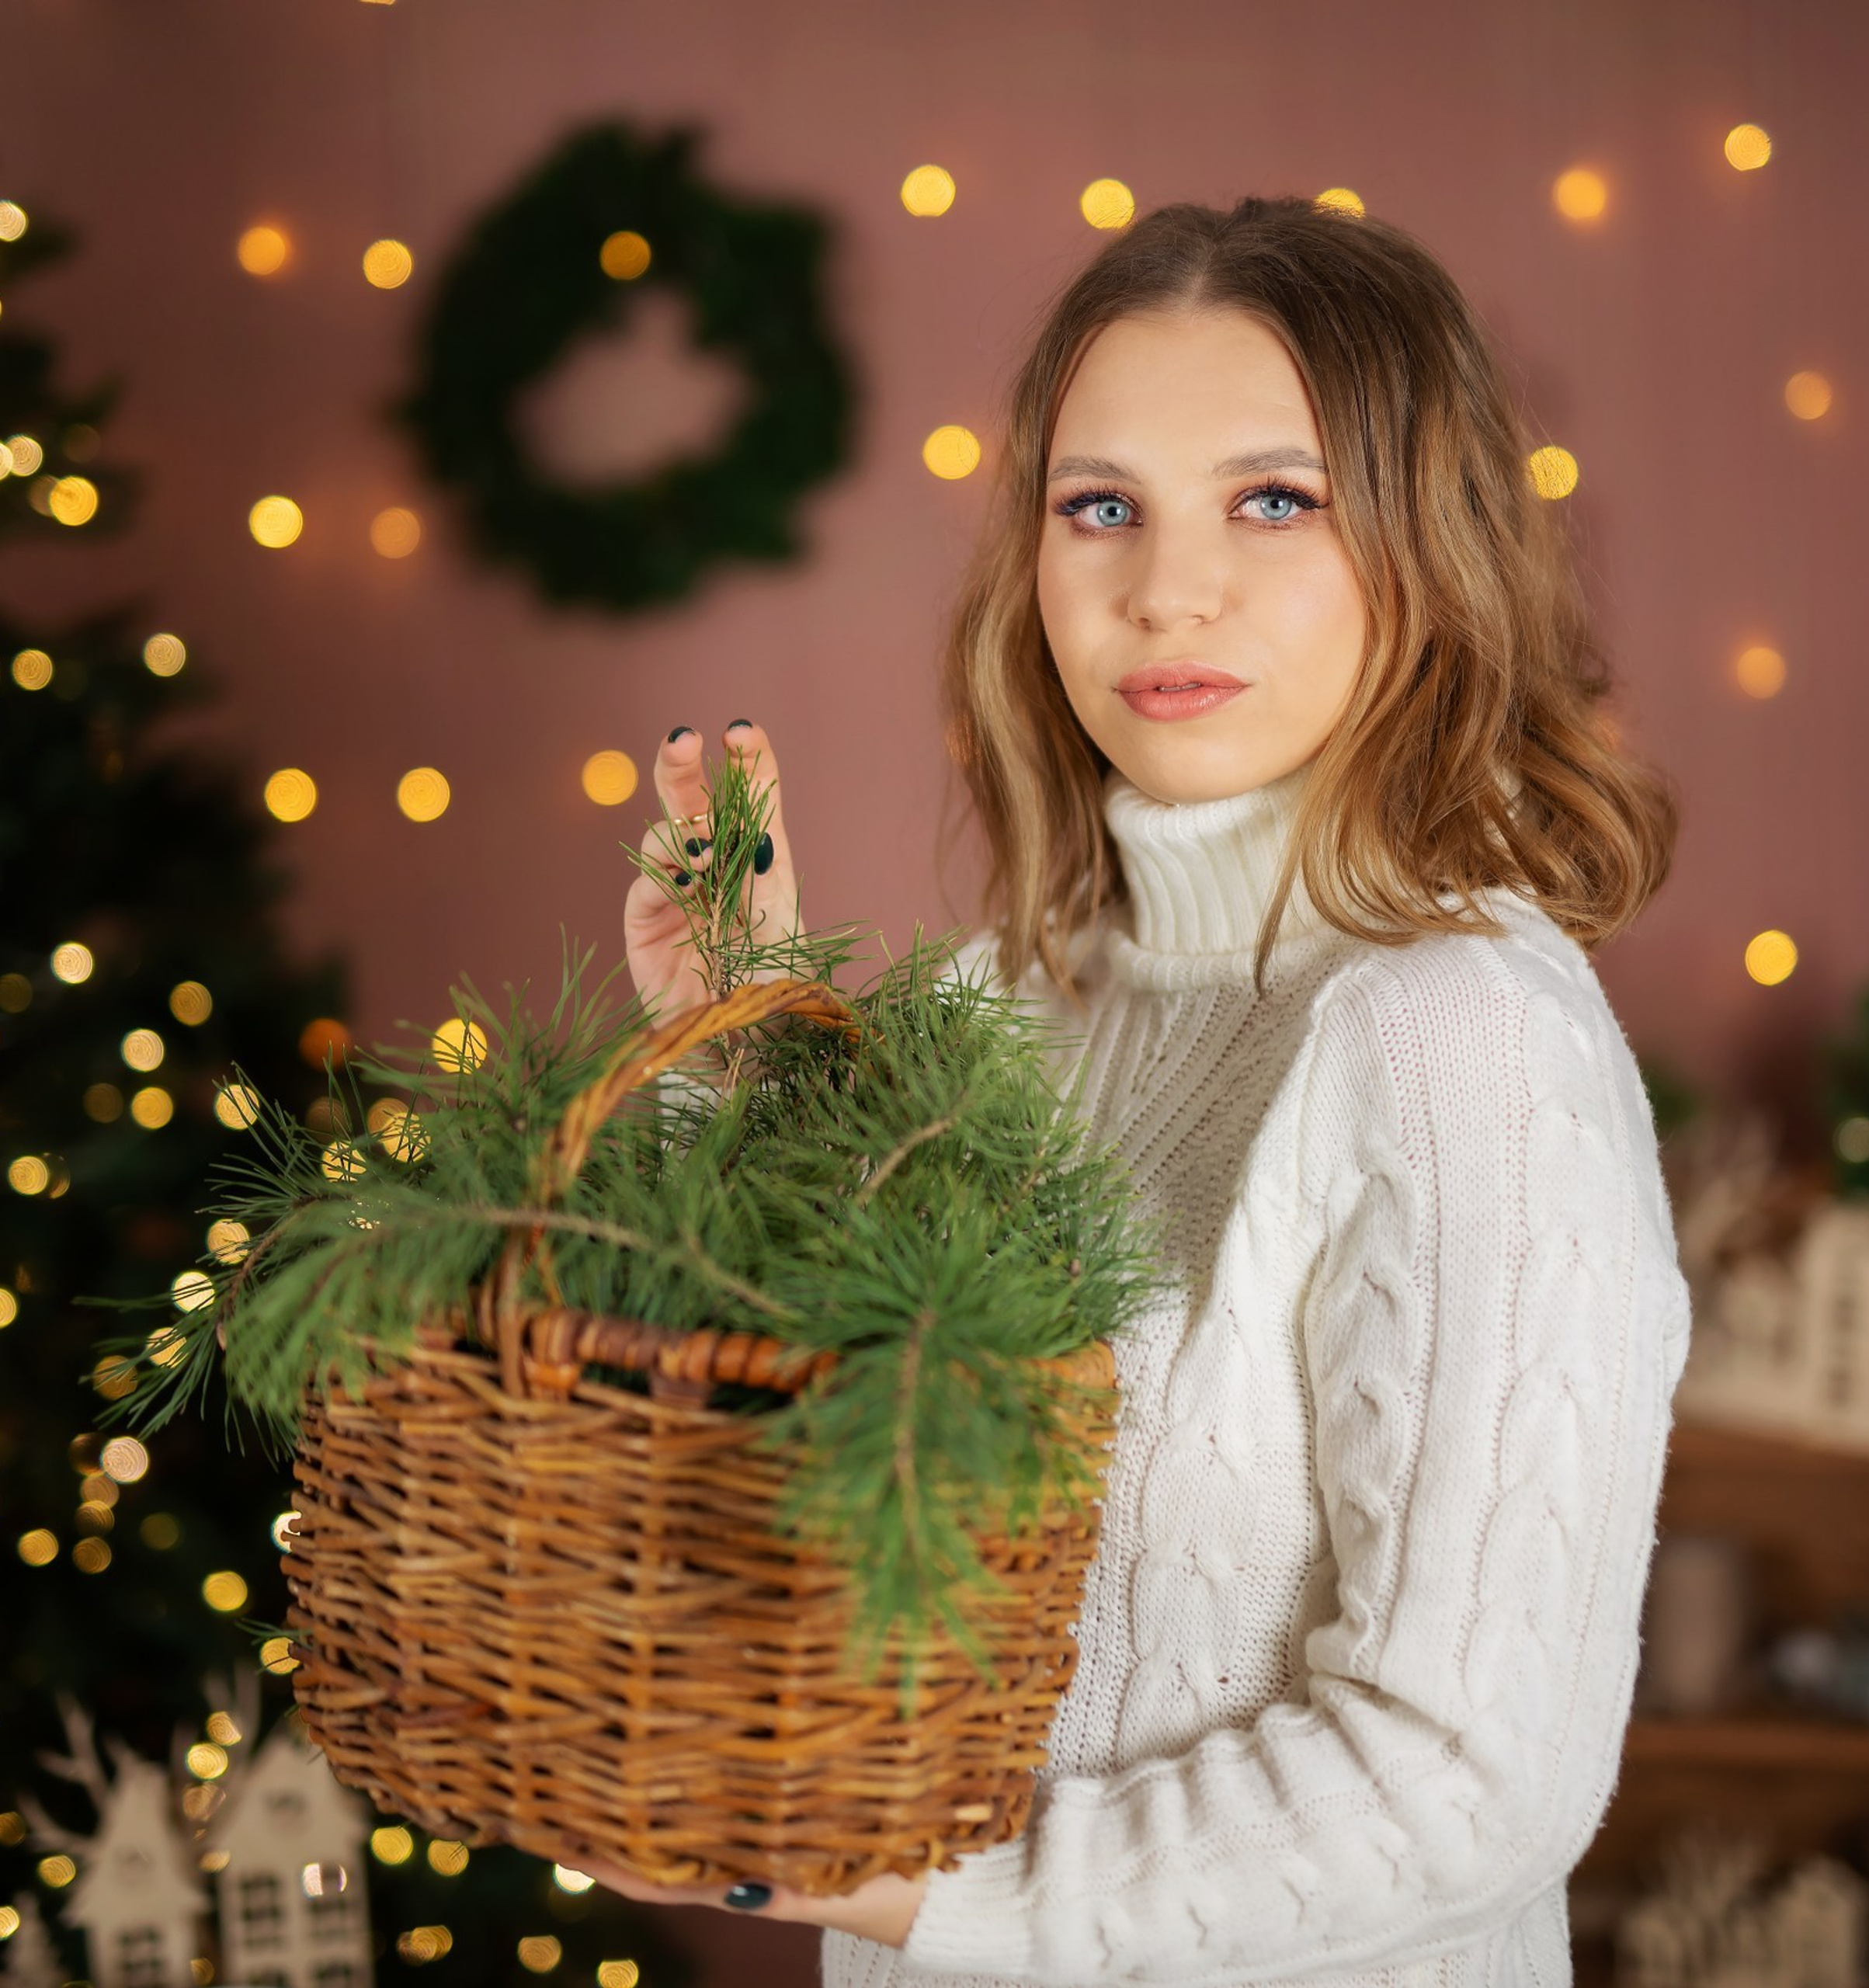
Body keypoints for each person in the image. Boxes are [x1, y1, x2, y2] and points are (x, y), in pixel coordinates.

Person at [595, 193, 1693, 1987]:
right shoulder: (990, 1008)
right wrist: (734, 1061)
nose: (1163, 587)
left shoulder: (1460, 1041)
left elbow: (1464, 1778)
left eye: (1275, 498)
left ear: (1429, 542)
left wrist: (906, 1880)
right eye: (1097, 505)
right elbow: (764, 1505)